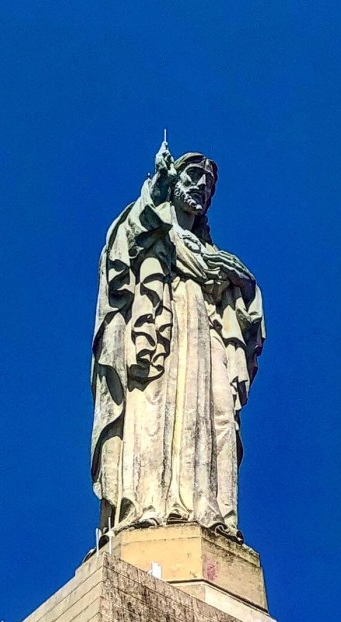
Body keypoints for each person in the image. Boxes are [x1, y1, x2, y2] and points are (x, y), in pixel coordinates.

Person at [90, 139, 265, 542]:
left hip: (208, 333)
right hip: (159, 329)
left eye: (209, 183)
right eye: (194, 175)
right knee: (155, 407)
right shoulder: (156, 227)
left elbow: (248, 317)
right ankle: (146, 508)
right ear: (174, 182)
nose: (202, 186)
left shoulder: (217, 259)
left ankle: (213, 515)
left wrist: (241, 281)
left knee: (218, 416)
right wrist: (156, 186)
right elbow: (125, 242)